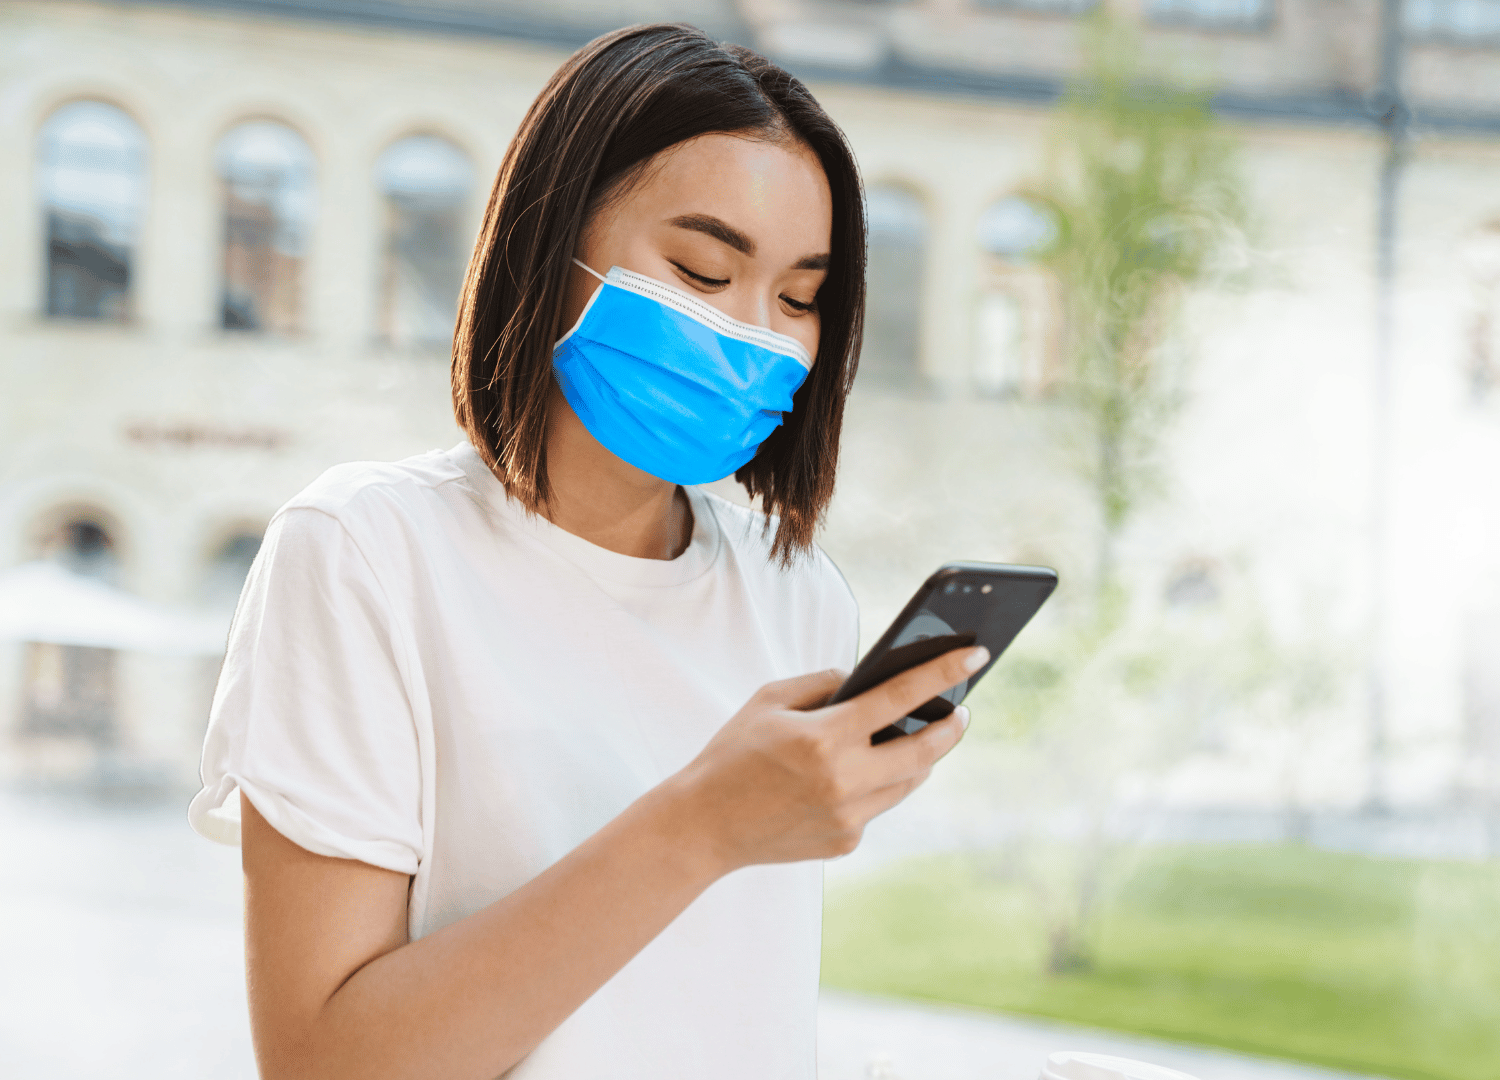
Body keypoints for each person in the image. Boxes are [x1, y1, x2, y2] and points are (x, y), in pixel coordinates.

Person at [188, 22, 985, 1080]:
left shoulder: (796, 599)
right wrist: (699, 825)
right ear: (547, 239)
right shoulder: (367, 555)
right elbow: (325, 1061)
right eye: (704, 270)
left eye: (799, 298)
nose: (756, 333)